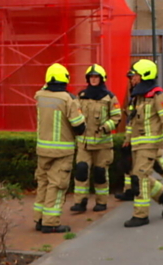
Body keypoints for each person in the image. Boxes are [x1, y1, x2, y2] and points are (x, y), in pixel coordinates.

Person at [123, 58, 163, 227]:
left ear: (145, 75)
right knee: (138, 175)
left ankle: (141, 216)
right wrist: (126, 141)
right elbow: (132, 122)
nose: (133, 78)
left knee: (139, 178)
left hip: (149, 144)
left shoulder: (158, 95)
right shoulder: (137, 97)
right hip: (137, 144)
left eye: (136, 75)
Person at [34, 63, 86, 233]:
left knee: (43, 183)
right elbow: (79, 126)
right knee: (57, 186)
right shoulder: (68, 100)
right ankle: (51, 222)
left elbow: (44, 89)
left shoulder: (40, 96)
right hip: (62, 151)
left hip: (43, 149)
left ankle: (39, 219)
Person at [70, 64, 122, 214]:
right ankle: (80, 202)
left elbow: (117, 116)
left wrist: (106, 126)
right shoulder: (81, 96)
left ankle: (101, 202)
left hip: (102, 144)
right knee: (81, 171)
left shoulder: (110, 97)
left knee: (100, 173)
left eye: (96, 77)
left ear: (101, 79)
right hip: (84, 144)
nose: (93, 79)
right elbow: (75, 114)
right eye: (91, 77)